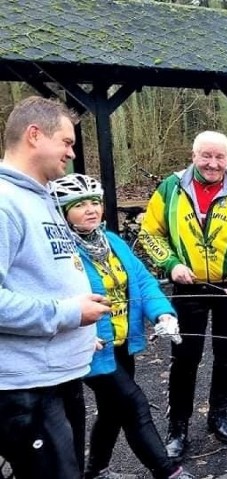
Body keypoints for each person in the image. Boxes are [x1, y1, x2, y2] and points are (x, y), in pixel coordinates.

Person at [50, 174, 194, 479]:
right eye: (79, 205)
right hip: (90, 349)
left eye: (94, 202)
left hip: (122, 343)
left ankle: (95, 471)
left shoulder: (112, 241)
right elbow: (52, 300)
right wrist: (75, 331)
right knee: (134, 405)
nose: (91, 209)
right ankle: (169, 472)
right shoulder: (61, 253)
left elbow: (142, 281)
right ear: (62, 211)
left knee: (112, 411)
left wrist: (163, 315)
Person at [0, 96, 111, 478]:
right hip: (25, 390)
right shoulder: (4, 201)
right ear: (34, 135)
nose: (71, 151)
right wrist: (68, 314)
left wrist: (80, 328)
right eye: (65, 141)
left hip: (57, 378)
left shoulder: (41, 198)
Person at [139, 131, 227, 458]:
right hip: (187, 287)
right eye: (206, 156)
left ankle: (218, 416)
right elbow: (150, 233)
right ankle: (177, 427)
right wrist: (170, 264)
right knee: (185, 359)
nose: (212, 163)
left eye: (219, 157)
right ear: (194, 155)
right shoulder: (171, 187)